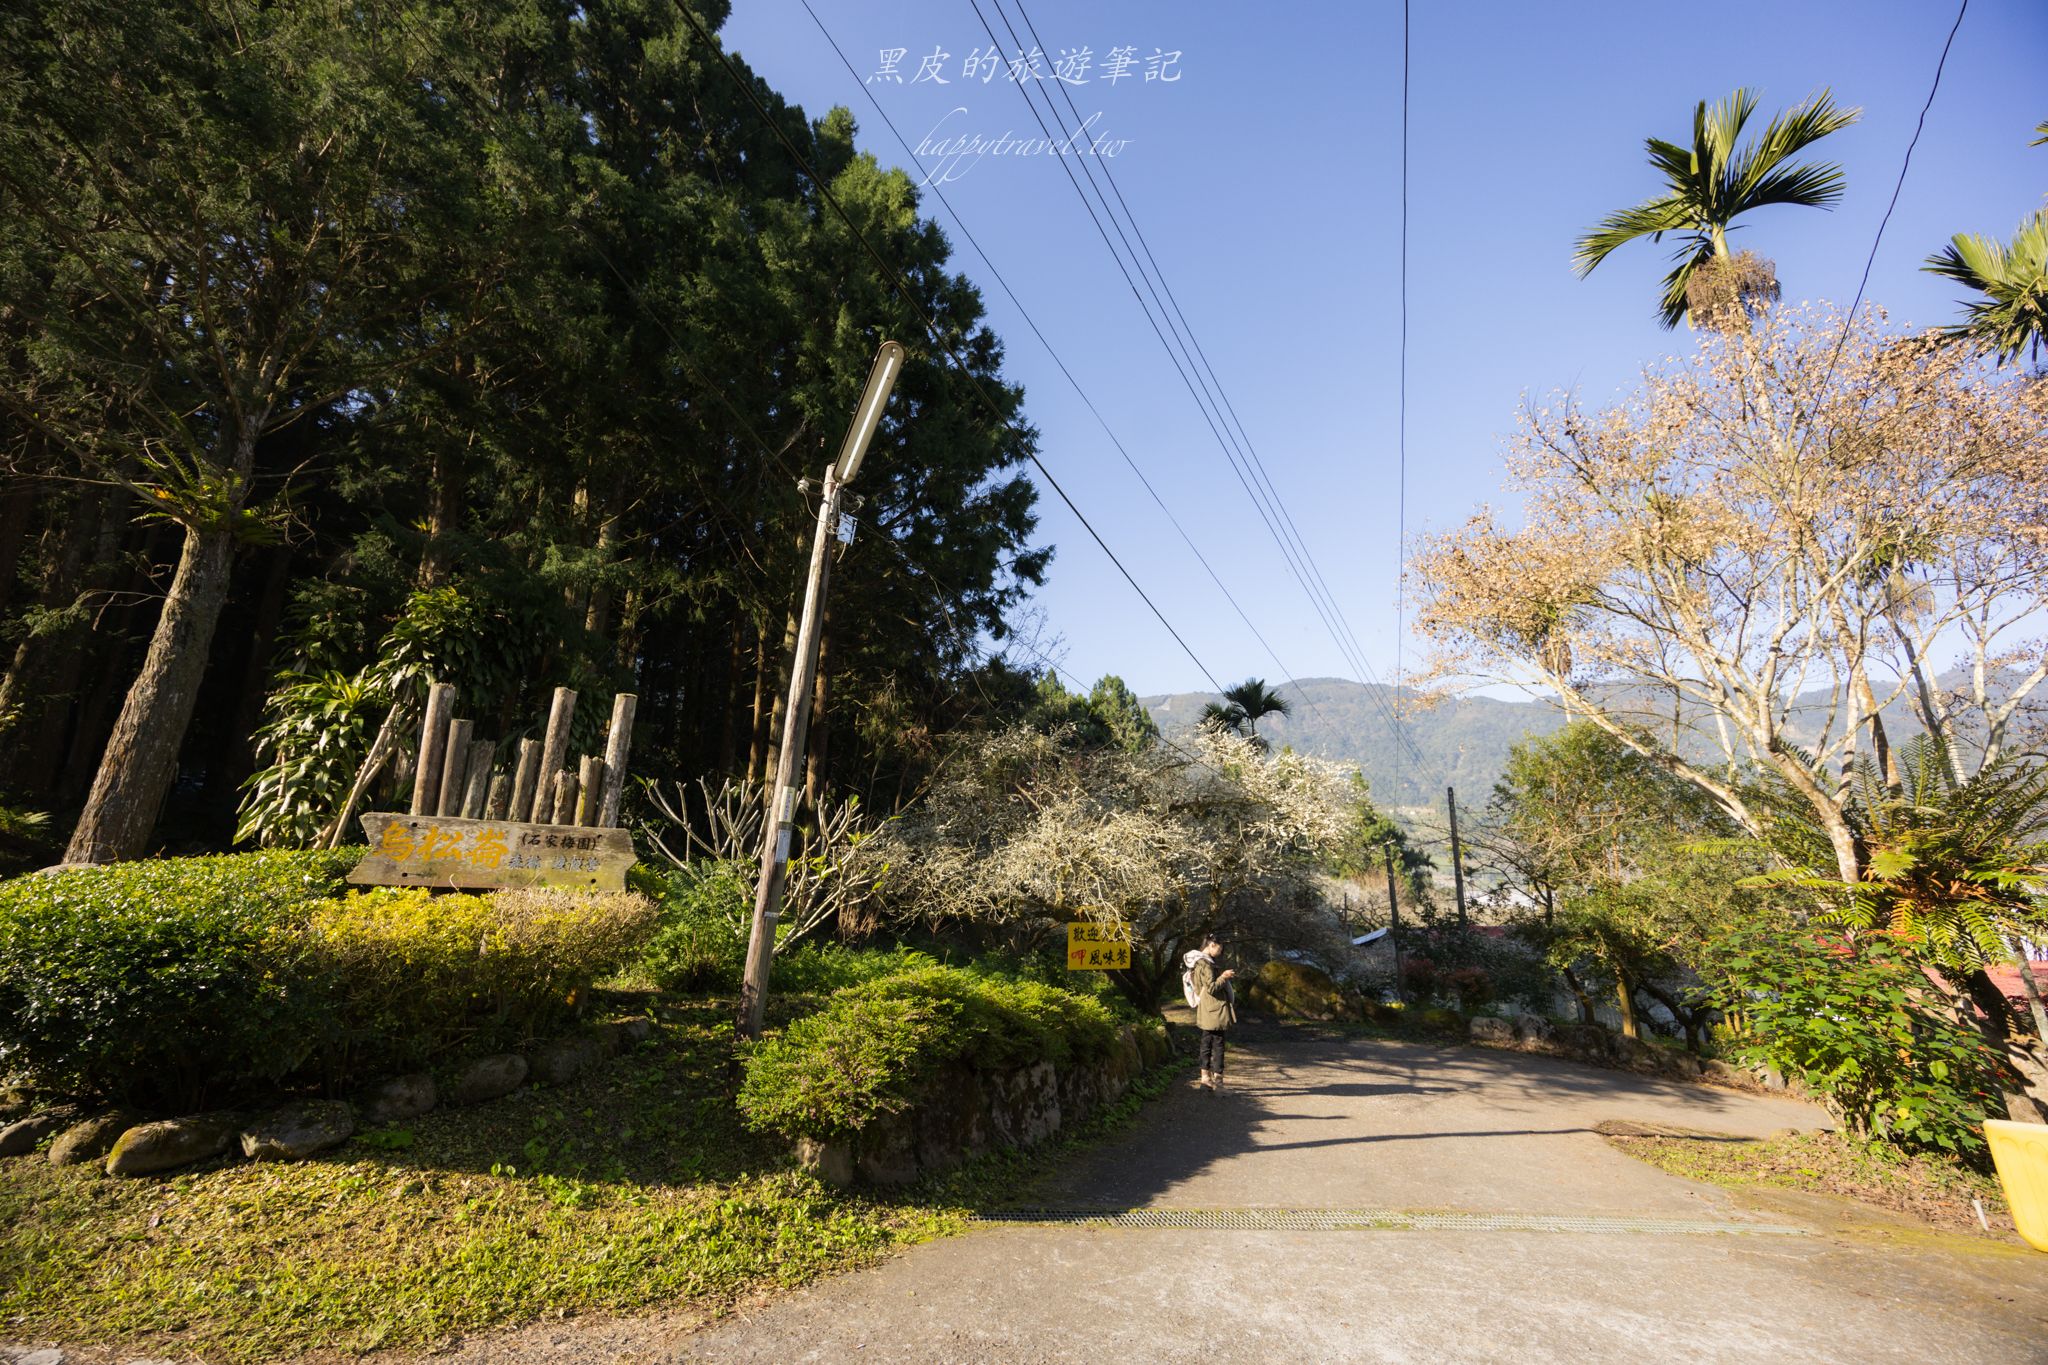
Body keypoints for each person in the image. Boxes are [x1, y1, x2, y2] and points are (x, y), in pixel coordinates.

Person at [1189, 934, 1237, 1091]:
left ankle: (1205, 1078)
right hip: (1215, 1009)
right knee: (1218, 1044)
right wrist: (1224, 976)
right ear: (1211, 945)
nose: (1220, 952)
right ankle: (1218, 1082)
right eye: (1219, 948)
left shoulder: (1198, 962)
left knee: (1206, 1043)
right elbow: (1211, 988)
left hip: (1207, 1008)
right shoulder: (1206, 964)